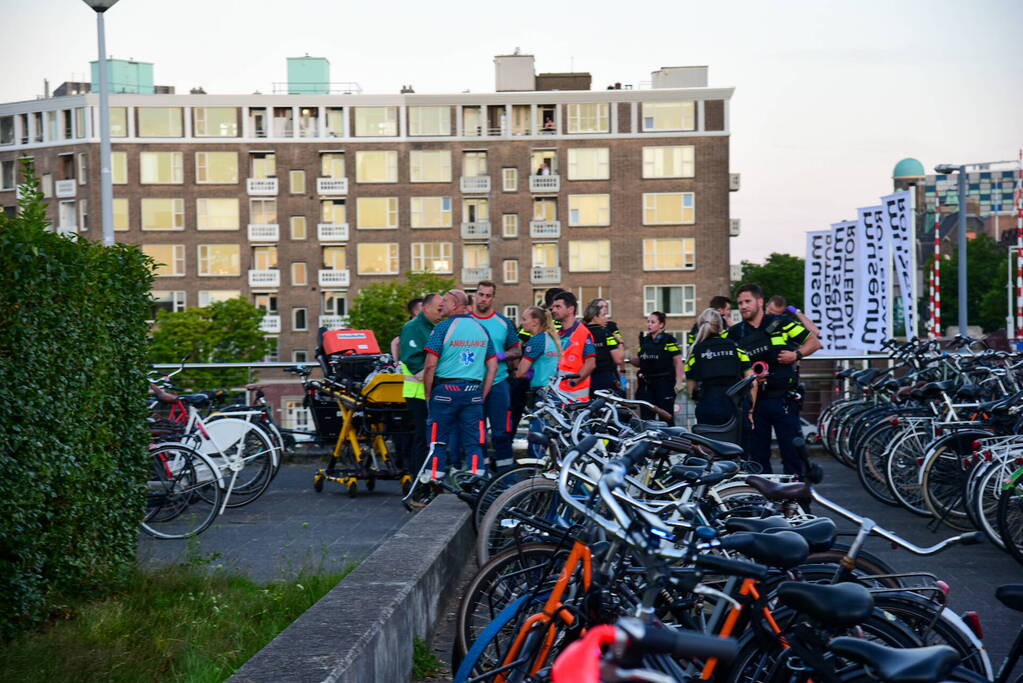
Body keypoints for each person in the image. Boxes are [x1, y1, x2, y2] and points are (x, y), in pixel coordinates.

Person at [726, 283, 821, 475]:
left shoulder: (781, 323)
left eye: (747, 301)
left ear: (760, 301)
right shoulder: (734, 333)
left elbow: (814, 342)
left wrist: (796, 355)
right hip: (754, 404)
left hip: (783, 399)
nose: (743, 306)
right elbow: (730, 365)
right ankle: (763, 493)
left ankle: (796, 493)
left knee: (792, 453)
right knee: (757, 457)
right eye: (740, 303)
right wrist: (748, 378)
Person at [422, 290, 497, 479]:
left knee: (437, 440)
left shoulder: (442, 328)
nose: (441, 304)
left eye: (445, 301)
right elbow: (493, 366)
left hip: (445, 391)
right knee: (474, 442)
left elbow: (430, 365)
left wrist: (428, 394)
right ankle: (475, 479)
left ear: (455, 304)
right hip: (473, 392)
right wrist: (482, 393)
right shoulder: (481, 329)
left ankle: (435, 479)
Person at [471, 280, 522, 472]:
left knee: (502, 433)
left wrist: (499, 356)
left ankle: (506, 478)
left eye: (488, 296)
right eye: (481, 294)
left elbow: (517, 350)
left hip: (498, 383)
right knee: (476, 434)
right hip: (473, 384)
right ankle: (481, 476)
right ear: (475, 295)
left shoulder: (503, 322)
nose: (483, 299)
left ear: (493, 298)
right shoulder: (466, 321)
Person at [685, 307, 756, 426]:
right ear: (721, 326)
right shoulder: (735, 348)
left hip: (708, 409)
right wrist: (750, 411)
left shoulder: (694, 353)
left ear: (700, 326)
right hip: (735, 408)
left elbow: (692, 391)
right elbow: (752, 381)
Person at [398, 293, 444, 476]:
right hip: (418, 392)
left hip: (426, 391)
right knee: (422, 438)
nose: (442, 313)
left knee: (426, 438)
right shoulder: (413, 327)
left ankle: (423, 477)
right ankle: (418, 480)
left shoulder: (431, 326)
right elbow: (414, 362)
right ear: (426, 308)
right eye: (439, 309)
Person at [515, 306, 563, 457]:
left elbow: (520, 372)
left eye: (525, 319)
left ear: (535, 321)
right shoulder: (551, 338)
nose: (522, 323)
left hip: (542, 395)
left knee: (537, 437)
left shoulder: (537, 340)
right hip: (555, 393)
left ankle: (536, 469)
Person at [627, 312, 683, 421]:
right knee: (647, 418)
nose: (649, 324)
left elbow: (678, 361)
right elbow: (642, 360)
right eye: (648, 322)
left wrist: (679, 381)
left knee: (666, 417)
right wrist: (631, 360)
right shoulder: (645, 341)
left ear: (661, 324)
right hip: (647, 385)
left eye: (653, 322)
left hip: (664, 383)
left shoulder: (669, 340)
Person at [549, 291, 595, 402]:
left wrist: (573, 382)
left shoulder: (583, 333)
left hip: (574, 399)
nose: (553, 310)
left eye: (558, 307)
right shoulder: (558, 334)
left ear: (570, 309)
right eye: (553, 307)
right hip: (556, 395)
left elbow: (590, 363)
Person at [583, 299, 625, 397]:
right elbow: (618, 359)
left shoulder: (582, 332)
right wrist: (620, 342)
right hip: (606, 378)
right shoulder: (607, 334)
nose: (606, 319)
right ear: (595, 316)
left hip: (587, 378)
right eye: (603, 315)